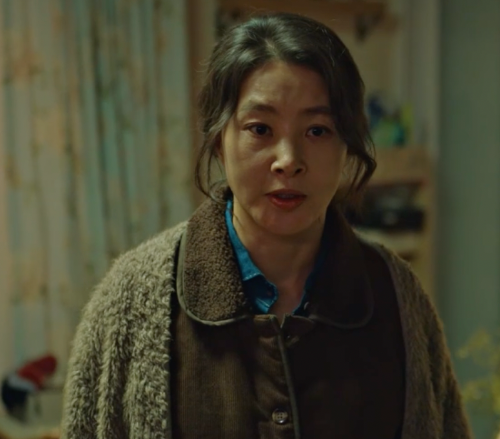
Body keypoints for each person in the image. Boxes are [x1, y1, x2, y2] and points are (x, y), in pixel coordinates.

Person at [61, 12, 472, 439]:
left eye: (317, 130)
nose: (288, 160)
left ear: (347, 145)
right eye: (260, 129)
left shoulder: (396, 296)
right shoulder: (132, 299)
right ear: (219, 140)